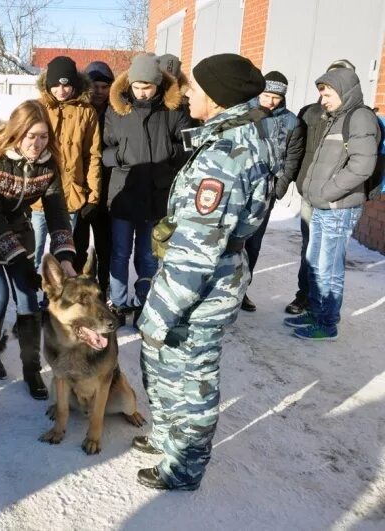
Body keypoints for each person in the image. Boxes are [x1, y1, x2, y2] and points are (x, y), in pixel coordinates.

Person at [135, 53, 275, 490]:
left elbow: (198, 251)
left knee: (192, 374)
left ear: (216, 98)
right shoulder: (235, 135)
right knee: (168, 362)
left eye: (194, 88)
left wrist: (159, 311)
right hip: (208, 276)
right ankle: (167, 437)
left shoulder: (225, 155)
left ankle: (184, 467)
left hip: (201, 284)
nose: (187, 93)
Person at [0, 100, 77, 400]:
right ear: (17, 134)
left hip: (16, 224)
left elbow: (56, 211)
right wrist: (20, 260)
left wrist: (65, 256)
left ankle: (31, 368)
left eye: (43, 136)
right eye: (31, 136)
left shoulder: (48, 163)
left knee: (27, 296)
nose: (37, 144)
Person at [283, 67, 381, 340]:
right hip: (322, 206)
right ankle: (315, 312)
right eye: (321, 94)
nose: (323, 100)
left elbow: (362, 166)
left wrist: (328, 192)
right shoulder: (334, 118)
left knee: (329, 268)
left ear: (344, 91)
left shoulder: (359, 118)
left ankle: (327, 323)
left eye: (327, 94)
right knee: (314, 263)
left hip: (339, 207)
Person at [102, 53, 191, 326]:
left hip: (156, 196)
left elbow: (189, 146)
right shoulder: (117, 110)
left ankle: (143, 301)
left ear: (157, 85)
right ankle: (117, 303)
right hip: (124, 194)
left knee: (148, 255)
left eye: (147, 87)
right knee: (119, 253)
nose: (141, 93)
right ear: (129, 84)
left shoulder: (173, 110)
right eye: (137, 87)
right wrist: (120, 157)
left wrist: (169, 153)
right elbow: (104, 150)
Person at [285, 59, 356, 315]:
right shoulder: (310, 113)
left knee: (329, 255)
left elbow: (366, 162)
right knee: (309, 247)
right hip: (309, 193)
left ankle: (323, 310)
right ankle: (305, 296)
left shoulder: (356, 117)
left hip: (336, 198)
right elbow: (296, 148)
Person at [241, 71, 305, 312]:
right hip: (239, 188)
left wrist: (279, 188)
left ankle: (242, 289)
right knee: (228, 240)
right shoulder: (243, 113)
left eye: (276, 98)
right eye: (267, 95)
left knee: (252, 244)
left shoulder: (291, 122)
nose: (270, 101)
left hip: (265, 192)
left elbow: (293, 158)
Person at [32, 56, 101, 277]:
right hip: (38, 193)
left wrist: (93, 193)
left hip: (70, 194)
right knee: (34, 250)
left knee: (62, 254)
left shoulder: (86, 112)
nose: (61, 90)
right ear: (48, 84)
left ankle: (53, 302)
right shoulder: (37, 108)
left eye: (66, 84)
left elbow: (92, 154)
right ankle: (31, 303)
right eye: (56, 85)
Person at [72, 61, 115, 297]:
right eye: (94, 86)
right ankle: (80, 289)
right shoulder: (78, 110)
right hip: (80, 190)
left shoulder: (117, 112)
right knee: (78, 246)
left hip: (108, 191)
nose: (98, 92)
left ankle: (104, 287)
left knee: (105, 247)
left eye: (103, 87)